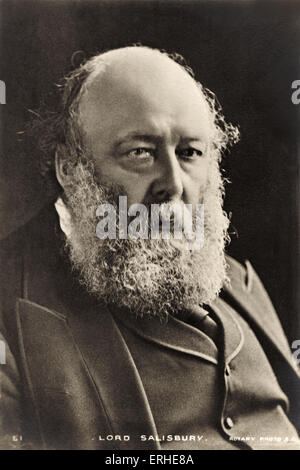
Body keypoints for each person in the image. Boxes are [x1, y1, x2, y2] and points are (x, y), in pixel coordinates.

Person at [0, 45, 299, 451]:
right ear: (69, 168)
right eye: (141, 153)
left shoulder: (238, 280)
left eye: (190, 153)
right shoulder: (9, 308)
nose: (173, 183)